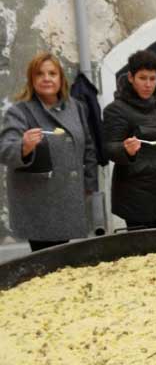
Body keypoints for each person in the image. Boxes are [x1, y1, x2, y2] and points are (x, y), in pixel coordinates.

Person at [0, 52, 98, 252]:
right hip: (38, 202)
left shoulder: (76, 108)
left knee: (63, 259)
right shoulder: (19, 112)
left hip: (68, 198)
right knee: (45, 259)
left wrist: (89, 184)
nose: (46, 78)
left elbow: (88, 148)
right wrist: (24, 146)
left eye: (52, 73)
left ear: (60, 78)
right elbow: (5, 149)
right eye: (40, 74)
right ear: (32, 79)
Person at [102, 49, 156, 230]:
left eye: (152, 79)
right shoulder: (116, 109)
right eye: (142, 78)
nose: (148, 84)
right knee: (141, 253)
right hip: (135, 195)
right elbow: (108, 147)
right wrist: (125, 150)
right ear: (131, 77)